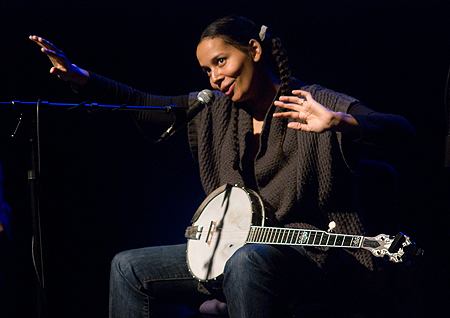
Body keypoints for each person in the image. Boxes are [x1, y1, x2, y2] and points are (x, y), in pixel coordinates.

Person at [30, 15, 416, 318]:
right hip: (233, 249)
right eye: (207, 70)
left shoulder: (310, 100)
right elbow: (143, 102)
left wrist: (340, 122)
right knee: (127, 267)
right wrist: (80, 77)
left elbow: (403, 132)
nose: (215, 77)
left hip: (314, 254)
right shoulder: (212, 110)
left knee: (247, 260)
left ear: (254, 50)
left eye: (221, 62)